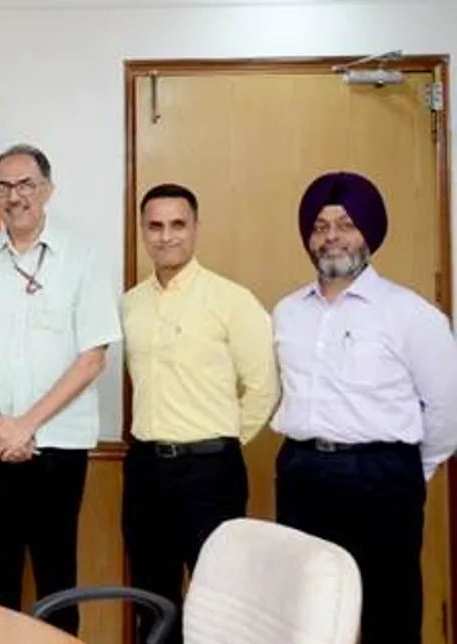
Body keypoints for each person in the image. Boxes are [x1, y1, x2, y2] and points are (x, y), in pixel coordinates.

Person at [0, 144, 121, 634]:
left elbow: (93, 357)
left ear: (48, 191)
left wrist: (26, 425)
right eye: (4, 186)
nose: (15, 196)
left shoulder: (83, 258)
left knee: (57, 576)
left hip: (56, 448)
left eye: (26, 185)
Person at [272, 171, 457, 644]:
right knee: (305, 610)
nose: (332, 236)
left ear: (368, 233)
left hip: (381, 477)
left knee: (388, 610)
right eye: (320, 226)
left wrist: (415, 469)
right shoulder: (287, 312)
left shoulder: (410, 313)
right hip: (301, 470)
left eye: (346, 223)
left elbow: (446, 406)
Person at [121, 183, 279, 643]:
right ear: (143, 231)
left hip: (210, 472)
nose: (166, 236)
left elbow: (262, 389)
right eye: (155, 225)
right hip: (145, 470)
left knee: (220, 602)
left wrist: (220, 441)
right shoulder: (131, 304)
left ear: (195, 229)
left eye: (177, 225)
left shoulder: (233, 300)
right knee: (151, 600)